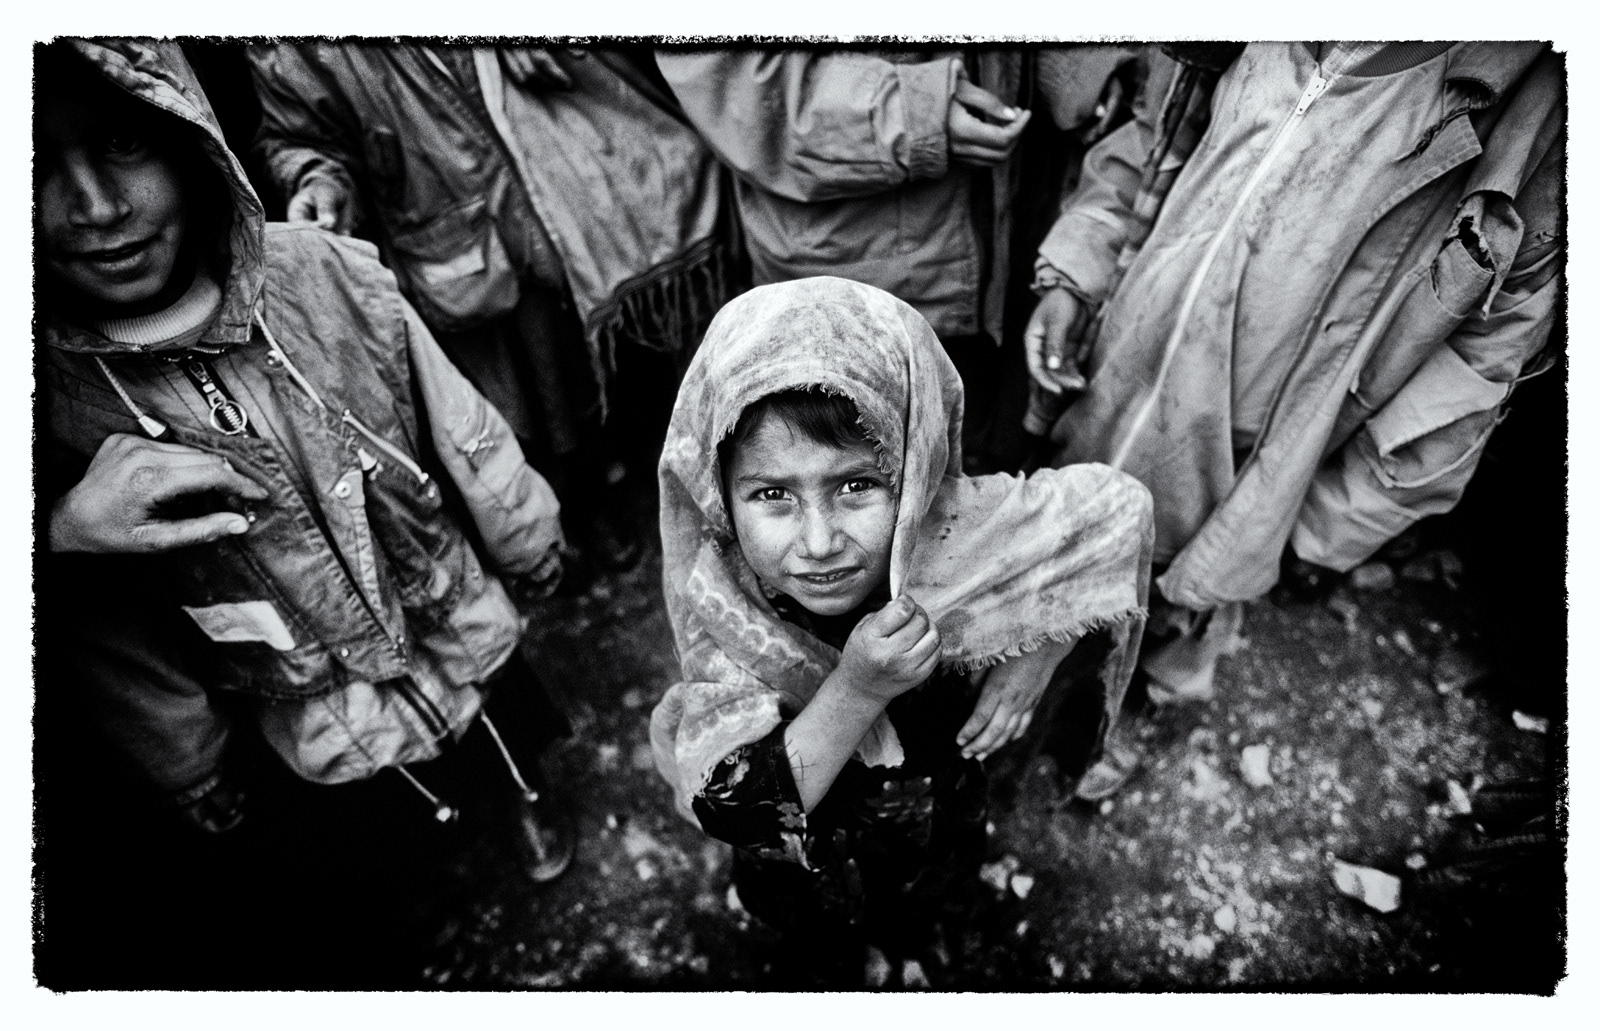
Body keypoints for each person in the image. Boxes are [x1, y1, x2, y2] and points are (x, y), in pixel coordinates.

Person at [36, 38, 576, 881]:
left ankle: (527, 798)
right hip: (310, 696)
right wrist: (181, 756)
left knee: (504, 728)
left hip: (449, 610)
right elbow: (110, 634)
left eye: (122, 143)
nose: (95, 207)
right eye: (33, 160)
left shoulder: (324, 274)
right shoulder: (50, 407)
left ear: (190, 136)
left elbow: (460, 420)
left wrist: (528, 535)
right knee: (391, 808)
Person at [1022, 43, 1564, 785]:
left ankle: (1135, 699)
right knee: (1063, 535)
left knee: (1185, 598)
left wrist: (1324, 523)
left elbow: (1486, 358)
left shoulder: (1535, 110)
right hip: (1119, 363)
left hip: (1260, 457)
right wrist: (1077, 275)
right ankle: (1040, 661)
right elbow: (1149, 134)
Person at [649, 277, 1153, 986]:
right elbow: (737, 806)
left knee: (931, 899)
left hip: (932, 810)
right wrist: (857, 688)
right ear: (717, 490)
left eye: (857, 484)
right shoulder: (724, 599)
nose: (819, 542)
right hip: (807, 857)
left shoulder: (954, 527)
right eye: (772, 495)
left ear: (914, 459)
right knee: (821, 942)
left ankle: (916, 942)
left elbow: (1117, 514)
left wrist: (1041, 647)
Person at [249, 43, 745, 572]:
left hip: (576, 181)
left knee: (637, 357)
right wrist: (318, 180)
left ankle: (675, 469)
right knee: (534, 395)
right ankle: (576, 509)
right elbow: (297, 136)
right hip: (456, 234)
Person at [655, 46, 1134, 472]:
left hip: (1005, 241)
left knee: (963, 461)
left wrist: (1071, 61)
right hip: (852, 264)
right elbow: (725, 75)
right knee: (851, 468)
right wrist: (910, 114)